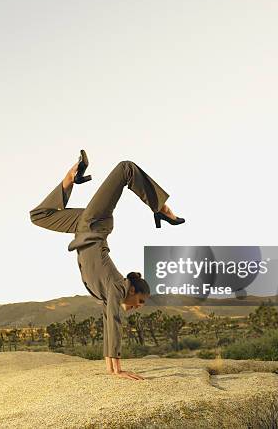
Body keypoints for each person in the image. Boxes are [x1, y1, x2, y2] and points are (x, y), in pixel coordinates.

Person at [29, 152, 184, 380]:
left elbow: (107, 321)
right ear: (132, 290)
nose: (139, 306)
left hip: (82, 226)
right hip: (94, 223)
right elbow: (115, 321)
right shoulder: (118, 287)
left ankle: (71, 177)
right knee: (125, 169)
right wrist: (119, 370)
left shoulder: (108, 294)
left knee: (39, 215)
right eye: (140, 301)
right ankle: (161, 208)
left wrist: (112, 370)